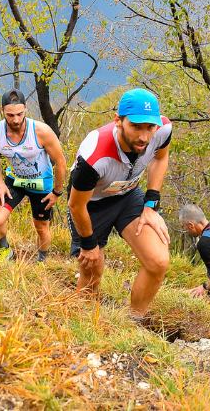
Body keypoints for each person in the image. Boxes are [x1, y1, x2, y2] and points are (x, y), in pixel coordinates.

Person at [69, 87, 172, 318]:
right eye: (136, 126)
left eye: (149, 127)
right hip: (91, 205)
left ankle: (134, 319)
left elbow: (161, 158)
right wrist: (88, 243)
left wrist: (150, 204)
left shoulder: (163, 130)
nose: (144, 137)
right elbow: (76, 205)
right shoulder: (94, 156)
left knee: (158, 261)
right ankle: (85, 326)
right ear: (118, 121)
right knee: (92, 271)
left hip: (128, 195)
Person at [0, 89, 67, 262]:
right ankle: (5, 251)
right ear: (2, 111)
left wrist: (57, 192)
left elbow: (60, 161)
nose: (15, 119)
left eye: (19, 114)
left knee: (41, 227)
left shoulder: (41, 131)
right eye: (10, 115)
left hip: (41, 183)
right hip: (14, 181)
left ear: (26, 110)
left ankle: (41, 260)